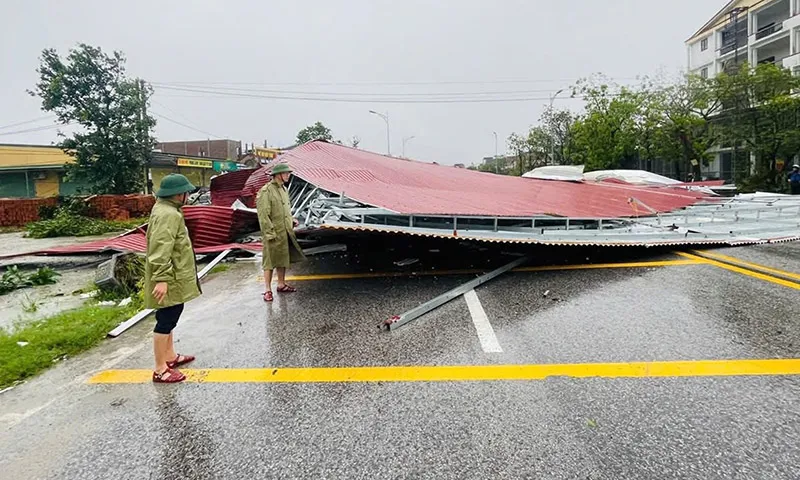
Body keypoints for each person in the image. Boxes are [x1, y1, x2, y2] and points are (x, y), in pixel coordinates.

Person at [144, 174, 201, 383]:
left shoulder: (167, 210)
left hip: (174, 274)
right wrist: (161, 279)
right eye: (186, 192)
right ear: (179, 194)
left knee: (172, 313)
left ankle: (170, 356)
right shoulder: (168, 214)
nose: (188, 196)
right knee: (166, 319)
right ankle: (160, 368)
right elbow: (161, 248)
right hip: (170, 275)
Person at [256, 163, 306, 302]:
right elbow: (263, 215)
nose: (288, 175)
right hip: (273, 232)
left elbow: (284, 210)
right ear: (278, 175)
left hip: (284, 231)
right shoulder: (266, 191)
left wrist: (291, 220)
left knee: (283, 259)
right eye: (286, 173)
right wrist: (270, 234)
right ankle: (267, 290)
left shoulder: (284, 190)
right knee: (270, 262)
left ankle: (281, 284)